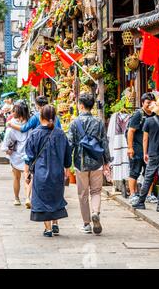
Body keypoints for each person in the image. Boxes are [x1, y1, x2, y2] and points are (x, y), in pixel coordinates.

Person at [25, 105, 72, 237]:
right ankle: (55, 223)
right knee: (55, 197)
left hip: (40, 172)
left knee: (43, 199)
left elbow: (29, 156)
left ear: (41, 117)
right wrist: (67, 169)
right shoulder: (61, 134)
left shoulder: (35, 134)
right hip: (57, 172)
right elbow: (68, 154)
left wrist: (28, 172)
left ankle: (48, 228)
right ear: (54, 117)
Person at [67, 93, 111, 235]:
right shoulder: (98, 122)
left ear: (81, 105)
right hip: (96, 161)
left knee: (83, 193)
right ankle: (95, 212)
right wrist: (106, 161)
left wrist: (66, 163)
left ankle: (86, 224)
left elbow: (70, 144)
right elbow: (104, 142)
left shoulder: (74, 123)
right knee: (96, 191)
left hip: (80, 163)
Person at [132, 97, 159, 211]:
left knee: (148, 178)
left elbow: (145, 139)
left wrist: (145, 153)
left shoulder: (149, 121)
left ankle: (141, 202)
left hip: (153, 154)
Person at [126, 92, 157, 205]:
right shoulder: (138, 114)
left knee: (149, 172)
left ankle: (149, 194)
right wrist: (130, 148)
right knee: (135, 171)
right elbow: (131, 131)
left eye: (152, 103)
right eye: (147, 103)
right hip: (137, 147)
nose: (149, 105)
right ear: (142, 103)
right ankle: (133, 194)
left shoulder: (154, 114)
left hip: (150, 148)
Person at [1, 101, 32, 208]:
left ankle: (17, 198)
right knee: (28, 176)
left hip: (15, 154)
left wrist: (7, 149)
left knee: (16, 177)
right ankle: (28, 197)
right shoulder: (30, 123)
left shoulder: (11, 124)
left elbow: (7, 141)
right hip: (28, 153)